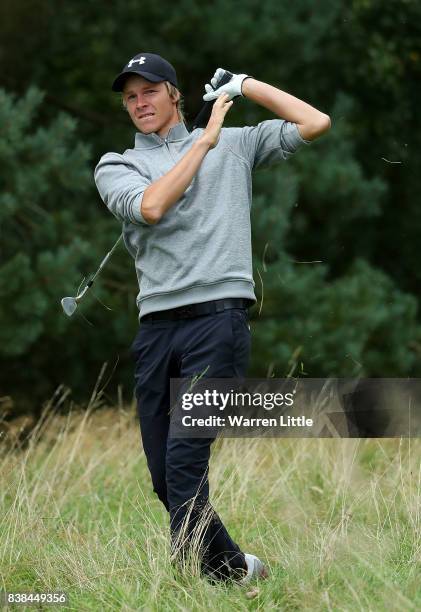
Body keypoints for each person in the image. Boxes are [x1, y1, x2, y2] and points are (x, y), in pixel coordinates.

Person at [94, 52, 330, 585]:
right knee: (164, 477)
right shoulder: (117, 165)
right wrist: (203, 140)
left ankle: (211, 576)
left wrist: (245, 85)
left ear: (175, 94)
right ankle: (239, 573)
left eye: (150, 91)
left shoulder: (238, 144)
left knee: (183, 464)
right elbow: (152, 207)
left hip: (217, 322)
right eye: (130, 96)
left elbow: (315, 122)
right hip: (156, 328)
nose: (140, 103)